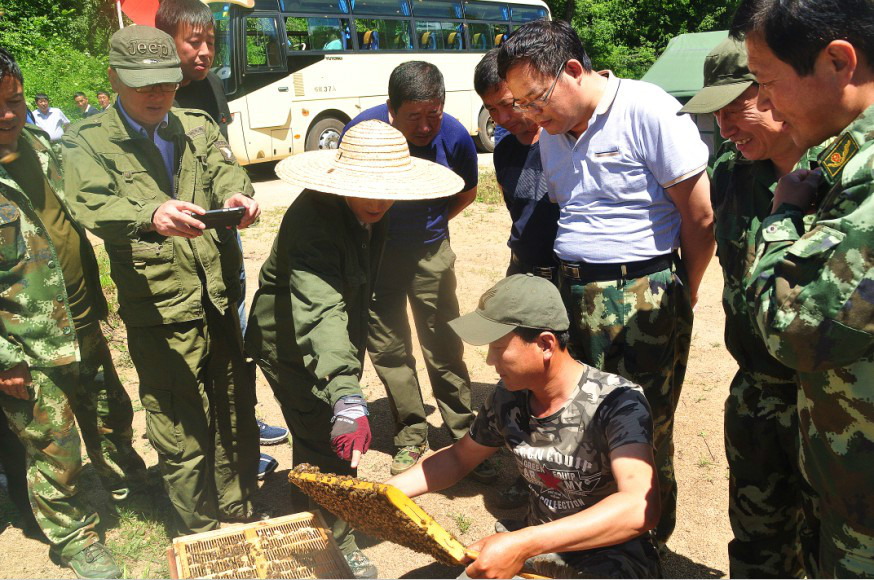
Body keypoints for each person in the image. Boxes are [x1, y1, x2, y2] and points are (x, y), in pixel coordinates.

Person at [496, 20, 715, 547]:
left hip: (641, 293)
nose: (531, 116)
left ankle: (645, 541)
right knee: (577, 420)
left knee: (642, 426)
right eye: (520, 104)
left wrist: (685, 288)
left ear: (574, 70)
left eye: (537, 99)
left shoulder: (650, 110)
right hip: (571, 293)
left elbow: (701, 218)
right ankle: (590, 538)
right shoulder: (551, 136)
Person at [60, 26, 261, 536]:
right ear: (113, 78)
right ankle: (197, 525)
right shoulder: (88, 140)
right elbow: (91, 202)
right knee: (178, 418)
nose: (158, 95)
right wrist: (151, 212)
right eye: (143, 84)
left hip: (217, 294)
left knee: (234, 406)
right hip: (159, 306)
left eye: (167, 84)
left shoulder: (193, 124)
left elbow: (224, 168)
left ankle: (238, 509)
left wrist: (238, 196)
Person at [246, 119, 464, 578]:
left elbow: (356, 287)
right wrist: (346, 393)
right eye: (367, 188)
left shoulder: (372, 210)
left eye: (387, 190)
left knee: (323, 436)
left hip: (331, 337)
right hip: (289, 341)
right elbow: (320, 309)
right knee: (323, 438)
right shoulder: (312, 222)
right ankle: (335, 537)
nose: (378, 200)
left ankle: (313, 509)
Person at [388, 274, 661, 579]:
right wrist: (385, 494)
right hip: (538, 548)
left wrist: (522, 543)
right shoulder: (509, 397)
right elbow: (458, 458)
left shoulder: (617, 402)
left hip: (612, 554)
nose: (490, 360)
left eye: (498, 347)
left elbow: (639, 507)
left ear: (545, 344)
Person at [731, 0, 874, 575]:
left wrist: (781, 217)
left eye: (767, 83)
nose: (762, 103)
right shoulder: (845, 152)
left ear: (838, 61)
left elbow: (794, 330)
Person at [0, 47, 147, 578]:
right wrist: (3, 358)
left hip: (82, 318)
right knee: (54, 450)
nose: (9, 114)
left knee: (110, 415)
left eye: (14, 101)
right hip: (29, 346)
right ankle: (75, 537)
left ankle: (128, 484)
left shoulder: (43, 148)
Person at [680, 37, 819, 578]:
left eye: (736, 108)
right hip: (757, 393)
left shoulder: (841, 173)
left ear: (777, 92)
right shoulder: (732, 175)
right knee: (757, 542)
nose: (725, 127)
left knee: (834, 545)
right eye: (716, 113)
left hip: (828, 402)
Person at [155, 0, 286, 479]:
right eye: (194, 42)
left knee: (234, 326)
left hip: (221, 237)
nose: (205, 51)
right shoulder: (153, 93)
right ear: (165, 39)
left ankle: (243, 423)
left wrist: (236, 194)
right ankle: (221, 445)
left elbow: (223, 157)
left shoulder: (209, 85)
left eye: (211, 41)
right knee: (201, 345)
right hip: (178, 248)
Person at [343, 62, 493, 481]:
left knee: (444, 344)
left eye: (434, 114)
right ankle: (410, 434)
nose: (426, 127)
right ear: (391, 109)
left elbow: (467, 191)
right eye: (415, 117)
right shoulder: (364, 132)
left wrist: (432, 225)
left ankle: (465, 433)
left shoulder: (456, 134)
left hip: (430, 254)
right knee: (389, 351)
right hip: (377, 257)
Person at [474, 49, 558, 282]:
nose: (500, 119)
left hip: (566, 278)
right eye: (491, 109)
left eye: (508, 105)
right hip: (522, 272)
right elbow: (515, 210)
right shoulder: (504, 151)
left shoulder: (562, 140)